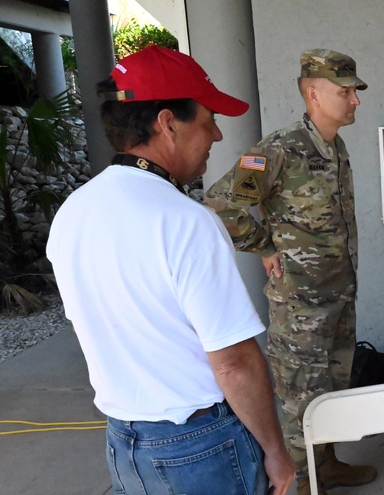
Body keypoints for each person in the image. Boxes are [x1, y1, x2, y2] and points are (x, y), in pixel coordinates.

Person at [46, 45, 295, 495]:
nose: (217, 136)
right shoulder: (186, 220)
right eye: (208, 121)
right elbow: (235, 362)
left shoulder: (73, 212)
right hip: (201, 446)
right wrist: (276, 451)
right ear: (167, 123)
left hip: (125, 441)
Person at [205, 49, 376, 494]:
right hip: (299, 305)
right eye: (346, 92)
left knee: (333, 390)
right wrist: (262, 245)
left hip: (338, 296)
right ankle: (302, 483)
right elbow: (221, 204)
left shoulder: (334, 146)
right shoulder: (279, 150)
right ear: (313, 94)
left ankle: (328, 466)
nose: (355, 100)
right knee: (302, 398)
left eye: (355, 91)